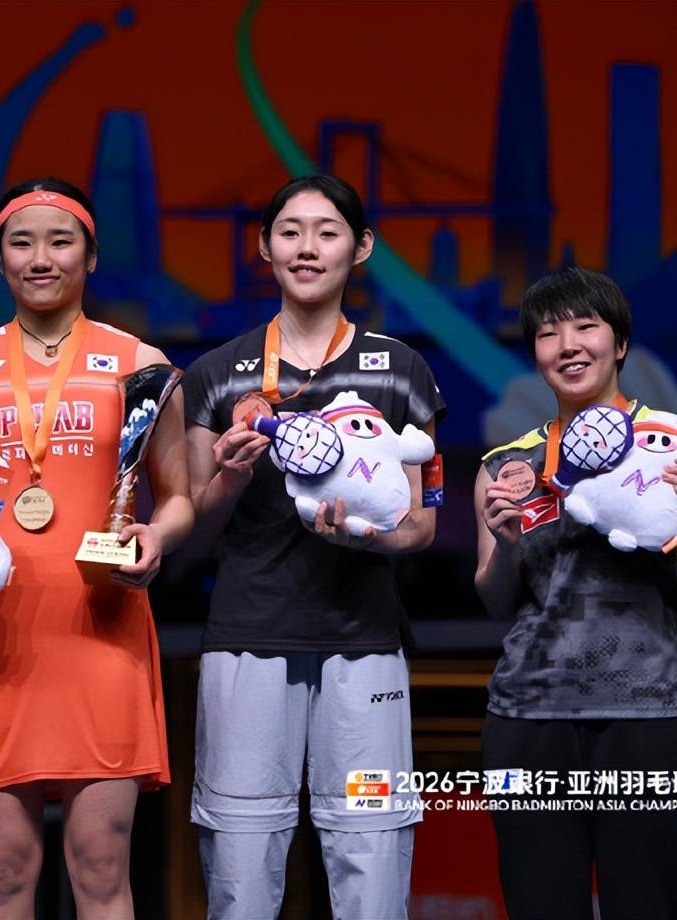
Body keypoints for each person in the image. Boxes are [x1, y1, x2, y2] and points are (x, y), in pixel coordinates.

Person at [0, 177, 193, 918]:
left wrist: (156, 536)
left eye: (61, 242)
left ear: (90, 257)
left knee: (100, 869)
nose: (41, 258)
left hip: (101, 634)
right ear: (0, 258)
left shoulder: (142, 364)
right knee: (4, 875)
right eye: (22, 243)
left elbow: (179, 498)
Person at [182, 174, 444, 920]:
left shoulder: (403, 370)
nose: (307, 247)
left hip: (366, 643)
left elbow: (422, 525)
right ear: (264, 247)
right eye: (290, 231)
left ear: (360, 248)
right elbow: (192, 530)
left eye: (327, 232)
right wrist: (230, 480)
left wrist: (367, 535)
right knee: (240, 868)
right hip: (247, 636)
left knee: (372, 858)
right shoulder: (215, 374)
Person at [474, 266, 677, 920]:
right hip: (527, 717)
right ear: (535, 354)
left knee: (647, 904)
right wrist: (504, 545)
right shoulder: (506, 465)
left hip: (648, 711)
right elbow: (494, 600)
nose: (567, 345)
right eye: (547, 333)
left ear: (619, 343)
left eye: (585, 327)